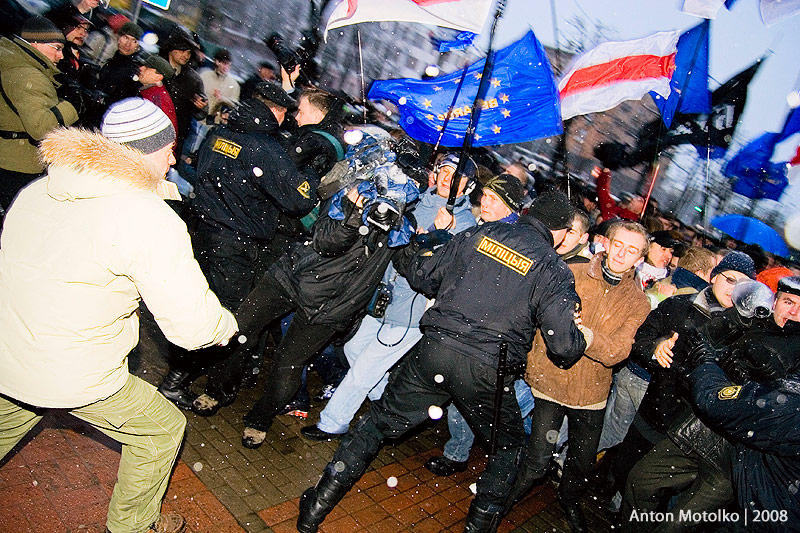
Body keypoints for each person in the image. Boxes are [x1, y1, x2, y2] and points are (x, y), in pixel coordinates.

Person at [0, 97, 237, 533]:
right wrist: (225, 326)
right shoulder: (147, 218)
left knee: (15, 408)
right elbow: (191, 327)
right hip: (70, 368)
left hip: (9, 350)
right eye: (168, 147)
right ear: (145, 151)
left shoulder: (36, 190)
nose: (174, 156)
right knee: (161, 430)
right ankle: (133, 525)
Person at [296, 191, 589, 533]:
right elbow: (565, 348)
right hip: (487, 369)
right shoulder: (553, 268)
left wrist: (421, 244)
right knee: (507, 450)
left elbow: (423, 274)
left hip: (435, 350)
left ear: (527, 213)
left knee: (375, 426)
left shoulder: (482, 233)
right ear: (563, 232)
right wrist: (578, 332)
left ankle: (316, 507)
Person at [191, 128, 421, 450]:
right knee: (240, 329)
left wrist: (425, 239)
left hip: (333, 304)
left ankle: (259, 420)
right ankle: (217, 390)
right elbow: (326, 240)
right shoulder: (351, 187)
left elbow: (413, 269)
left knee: (288, 363)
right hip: (294, 274)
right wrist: (354, 212)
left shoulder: (406, 221)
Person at [157, 82, 319, 408]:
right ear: (275, 110)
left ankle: (177, 374)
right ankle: (173, 383)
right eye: (284, 112)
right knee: (222, 317)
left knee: (196, 308)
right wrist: (311, 179)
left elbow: (201, 171)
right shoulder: (265, 149)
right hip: (235, 244)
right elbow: (299, 199)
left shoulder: (220, 134)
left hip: (202, 233)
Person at [299, 156, 481, 442]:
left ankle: (332, 423)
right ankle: (393, 407)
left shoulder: (465, 224)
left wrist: (438, 235)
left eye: (456, 175)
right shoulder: (416, 199)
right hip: (384, 298)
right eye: (444, 171)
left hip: (411, 309)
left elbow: (447, 272)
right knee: (354, 349)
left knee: (364, 369)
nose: (448, 178)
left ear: (468, 185)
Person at [623, 276, 800, 531]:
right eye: (788, 301)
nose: (793, 311)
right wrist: (730, 328)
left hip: (738, 457)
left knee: (677, 525)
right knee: (639, 483)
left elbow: (777, 407)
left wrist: (766, 375)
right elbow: (699, 345)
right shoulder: (752, 321)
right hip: (699, 430)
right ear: (775, 302)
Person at [507, 220, 651, 533]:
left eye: (632, 250)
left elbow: (618, 351)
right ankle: (502, 501)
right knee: (537, 459)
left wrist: (578, 332)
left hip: (592, 392)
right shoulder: (571, 273)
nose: (622, 254)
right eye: (618, 245)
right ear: (606, 243)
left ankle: (568, 499)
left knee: (582, 463)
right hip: (552, 381)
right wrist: (563, 328)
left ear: (640, 259)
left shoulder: (638, 301)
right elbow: (539, 319)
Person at [609, 251, 756, 508]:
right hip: (654, 413)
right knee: (625, 473)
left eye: (743, 285)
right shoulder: (679, 306)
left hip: (690, 433)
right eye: (730, 280)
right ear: (714, 277)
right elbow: (640, 339)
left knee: (659, 497)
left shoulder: (747, 333)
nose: (734, 290)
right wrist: (655, 348)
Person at [685, 297, 800, 532]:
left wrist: (706, 365)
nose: (794, 311)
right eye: (788, 301)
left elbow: (720, 403)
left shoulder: (790, 408)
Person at [0, 16, 79, 212]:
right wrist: (72, 106)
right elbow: (40, 128)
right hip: (18, 164)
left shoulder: (14, 64)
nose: (60, 56)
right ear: (35, 44)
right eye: (57, 48)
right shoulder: (29, 75)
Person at [160, 28, 207, 159]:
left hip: (175, 136)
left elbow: (201, 113)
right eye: (182, 50)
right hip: (148, 127)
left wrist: (199, 106)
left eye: (188, 52)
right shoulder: (155, 68)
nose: (186, 55)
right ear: (171, 49)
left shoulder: (193, 79)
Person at [644, 246, 716, 309]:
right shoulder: (695, 300)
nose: (714, 279)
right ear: (700, 274)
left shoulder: (660, 282)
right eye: (712, 272)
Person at [97, 22, 143, 105]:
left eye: (134, 41)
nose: (128, 44)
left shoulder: (133, 69)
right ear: (118, 38)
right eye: (126, 38)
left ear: (138, 47)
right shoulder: (114, 60)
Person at [137, 55, 178, 135]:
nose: (141, 68)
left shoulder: (157, 100)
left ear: (158, 77)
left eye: (146, 68)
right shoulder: (150, 92)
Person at [200, 48, 240, 122]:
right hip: (198, 119)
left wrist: (222, 98)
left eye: (229, 65)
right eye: (224, 63)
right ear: (217, 62)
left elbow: (235, 105)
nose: (226, 67)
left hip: (216, 123)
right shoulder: (205, 76)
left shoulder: (234, 85)